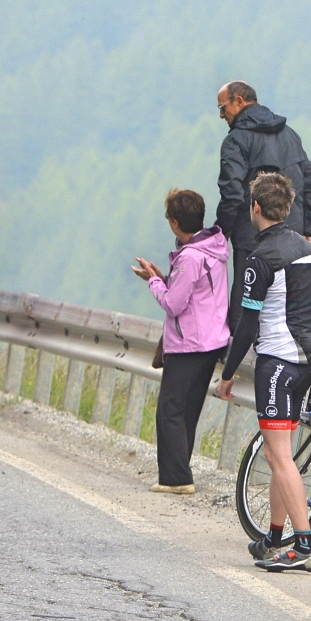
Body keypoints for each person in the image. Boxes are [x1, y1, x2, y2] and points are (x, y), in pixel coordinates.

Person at [217, 172, 311, 571]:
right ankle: (276, 535)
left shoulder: (260, 258)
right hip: (304, 362)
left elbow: (248, 325)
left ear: (256, 209)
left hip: (277, 362)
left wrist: (228, 373)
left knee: (278, 454)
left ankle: (304, 546)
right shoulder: (306, 248)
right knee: (282, 453)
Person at [133, 189, 229, 494]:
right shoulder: (215, 248)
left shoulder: (189, 257)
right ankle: (179, 471)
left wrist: (154, 282)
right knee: (188, 409)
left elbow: (174, 304)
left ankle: (176, 478)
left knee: (170, 409)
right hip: (212, 341)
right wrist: (165, 278)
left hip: (189, 343)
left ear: (174, 222)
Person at [214, 81, 311, 328]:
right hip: (293, 238)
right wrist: (307, 230)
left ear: (239, 101)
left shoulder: (236, 140)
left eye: (222, 107)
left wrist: (222, 231)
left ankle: (242, 362)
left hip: (251, 238)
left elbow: (231, 192)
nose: (221, 115)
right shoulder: (290, 135)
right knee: (290, 306)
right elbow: (310, 183)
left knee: (247, 303)